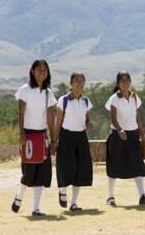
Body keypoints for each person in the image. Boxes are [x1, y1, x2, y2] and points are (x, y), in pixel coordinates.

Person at [11, 59, 57, 216]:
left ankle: (36, 208)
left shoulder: (48, 93)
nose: (42, 72)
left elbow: (51, 118)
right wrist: (21, 134)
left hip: (42, 135)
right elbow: (21, 113)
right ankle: (19, 196)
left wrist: (53, 140)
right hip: (28, 135)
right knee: (29, 171)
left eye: (45, 70)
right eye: (39, 69)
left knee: (42, 172)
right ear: (32, 71)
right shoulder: (25, 90)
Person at [104, 71, 145, 206]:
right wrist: (120, 130)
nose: (125, 83)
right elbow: (113, 118)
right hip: (117, 135)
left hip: (133, 135)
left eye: (127, 80)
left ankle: (142, 195)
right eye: (122, 80)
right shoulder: (114, 98)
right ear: (117, 83)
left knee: (137, 163)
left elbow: (137, 117)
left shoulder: (134, 98)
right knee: (114, 165)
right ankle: (110, 197)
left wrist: (142, 134)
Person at [52, 72, 93, 211]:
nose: (79, 84)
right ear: (71, 83)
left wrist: (88, 123)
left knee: (80, 169)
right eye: (76, 81)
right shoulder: (63, 100)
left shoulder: (86, 101)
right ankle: (62, 191)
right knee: (65, 167)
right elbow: (58, 123)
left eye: (82, 81)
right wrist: (54, 141)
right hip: (66, 136)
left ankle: (74, 203)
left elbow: (87, 118)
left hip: (81, 137)